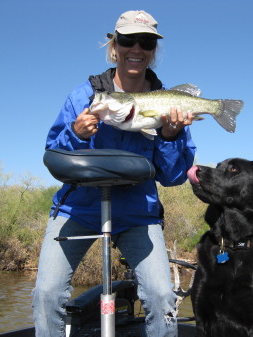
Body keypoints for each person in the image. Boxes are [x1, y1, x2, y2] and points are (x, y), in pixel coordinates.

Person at [32, 10, 196, 337]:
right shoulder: (84, 96)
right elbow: (54, 155)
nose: (136, 48)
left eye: (146, 42)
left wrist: (169, 136)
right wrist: (76, 135)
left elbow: (174, 175)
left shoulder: (167, 102)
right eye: (127, 40)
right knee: (47, 294)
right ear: (114, 45)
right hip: (78, 207)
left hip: (138, 211)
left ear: (153, 50)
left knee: (163, 296)